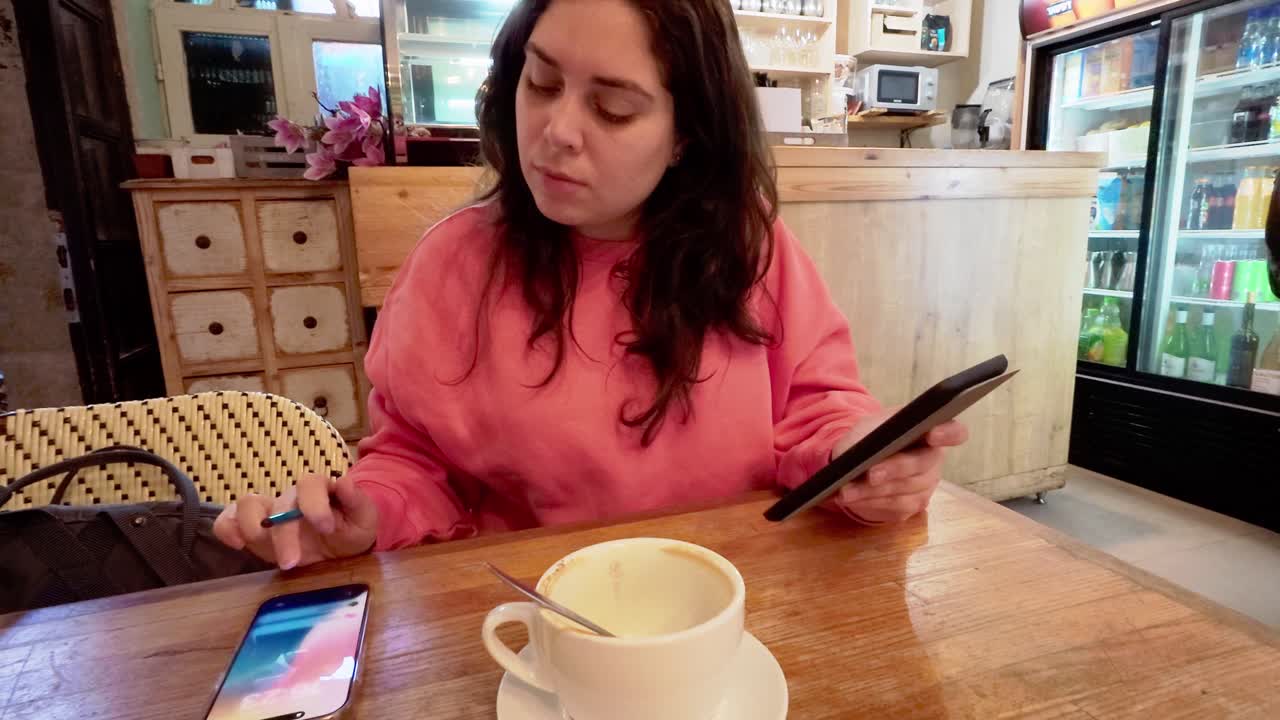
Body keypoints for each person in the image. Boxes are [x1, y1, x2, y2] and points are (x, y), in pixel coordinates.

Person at [213, 0, 969, 570]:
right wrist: (366, 514)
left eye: (611, 107)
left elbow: (817, 411)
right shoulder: (455, 265)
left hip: (729, 592)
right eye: (540, 83)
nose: (556, 131)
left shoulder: (750, 250)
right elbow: (416, 461)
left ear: (685, 136)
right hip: (529, 609)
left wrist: (862, 458)